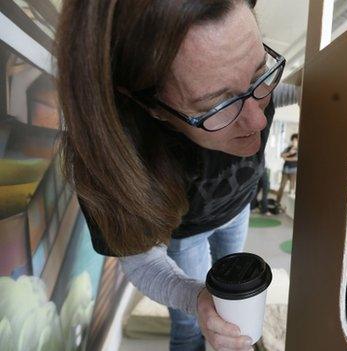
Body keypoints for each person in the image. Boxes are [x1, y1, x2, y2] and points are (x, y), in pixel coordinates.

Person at [56, 1, 285, 350]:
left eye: (258, 76)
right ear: (149, 106)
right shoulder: (117, 159)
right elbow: (142, 261)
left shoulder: (256, 99)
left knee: (232, 299)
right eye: (217, 105)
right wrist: (196, 299)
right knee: (192, 326)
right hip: (186, 235)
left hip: (237, 211)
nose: (258, 122)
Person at [276, 133, 298, 204]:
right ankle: (277, 203)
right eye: (293, 140)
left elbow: (296, 159)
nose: (294, 142)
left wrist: (286, 158)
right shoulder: (289, 148)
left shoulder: (299, 149)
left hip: (293, 171)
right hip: (285, 170)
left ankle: (290, 206)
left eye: (296, 140)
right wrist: (289, 153)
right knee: (281, 187)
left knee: (292, 188)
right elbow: (281, 155)